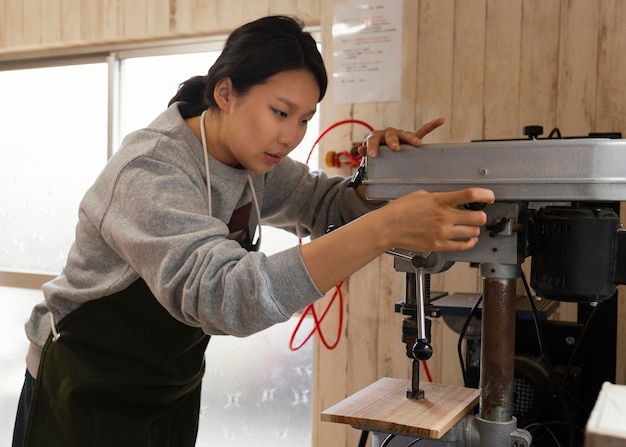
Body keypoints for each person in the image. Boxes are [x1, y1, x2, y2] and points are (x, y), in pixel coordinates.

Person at [12, 14, 494, 447]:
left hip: (168, 388)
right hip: (81, 391)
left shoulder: (256, 162)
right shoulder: (151, 172)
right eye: (280, 112)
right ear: (225, 93)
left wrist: (381, 179)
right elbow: (224, 296)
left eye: (305, 119)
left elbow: (325, 205)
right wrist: (383, 229)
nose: (290, 136)